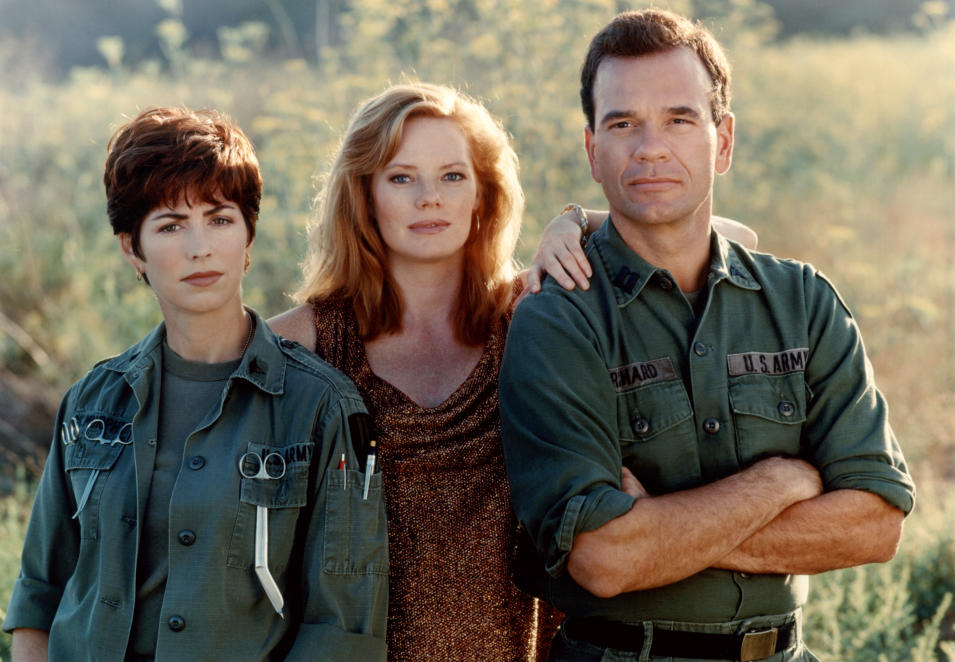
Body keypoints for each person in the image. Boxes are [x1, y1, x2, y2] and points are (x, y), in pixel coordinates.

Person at [269, 82, 757, 661]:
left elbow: (734, 239)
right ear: (365, 195)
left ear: (482, 195)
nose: (430, 198)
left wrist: (576, 223)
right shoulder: (300, 342)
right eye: (401, 177)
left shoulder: (531, 315)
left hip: (523, 646)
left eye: (453, 176)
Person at [499, 9, 916, 662]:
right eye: (622, 123)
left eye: (679, 118)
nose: (650, 147)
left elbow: (875, 525)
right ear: (592, 151)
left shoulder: (802, 301)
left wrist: (659, 530)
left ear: (723, 141)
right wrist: (778, 484)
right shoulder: (559, 319)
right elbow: (604, 558)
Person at [2, 107, 388, 662]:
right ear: (132, 249)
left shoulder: (321, 408)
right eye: (171, 226)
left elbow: (342, 627)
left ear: (249, 236)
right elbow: (40, 593)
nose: (199, 247)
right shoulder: (91, 402)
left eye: (220, 218)